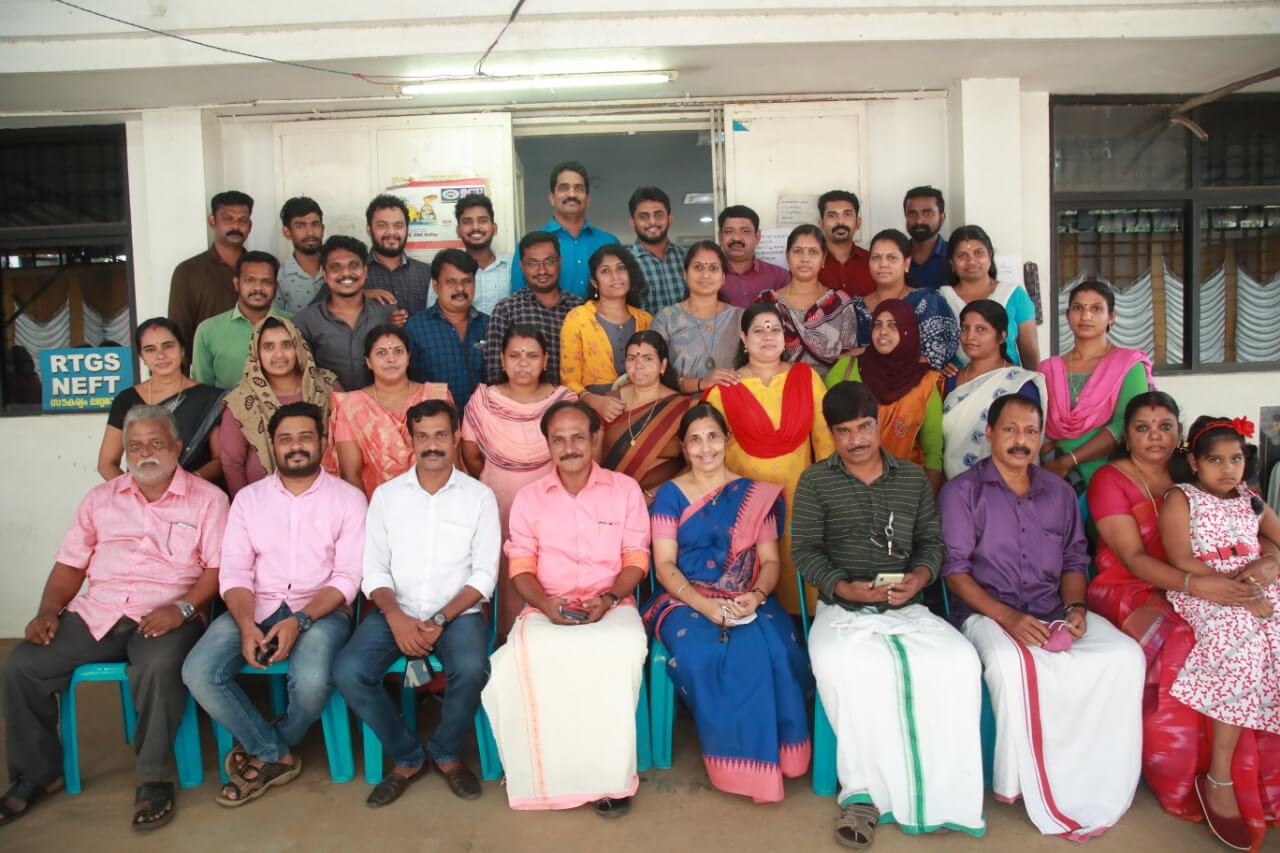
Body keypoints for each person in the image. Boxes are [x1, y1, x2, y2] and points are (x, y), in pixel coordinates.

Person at [1, 406, 228, 830]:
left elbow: (218, 569)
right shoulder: (100, 500)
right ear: (124, 451)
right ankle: (37, 773)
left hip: (169, 613)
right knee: (22, 665)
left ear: (177, 447)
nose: (145, 453)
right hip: (99, 613)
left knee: (158, 666)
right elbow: (70, 565)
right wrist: (48, 610)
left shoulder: (208, 500)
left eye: (156, 443)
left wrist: (182, 608)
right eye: (135, 445)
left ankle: (153, 777)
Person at [941, 393, 1144, 841]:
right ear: (990, 433)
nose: (1021, 440)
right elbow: (954, 572)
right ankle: (1020, 780)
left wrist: (1075, 608)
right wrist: (1008, 618)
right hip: (987, 613)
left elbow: (1074, 559)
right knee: (1013, 664)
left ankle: (1091, 772)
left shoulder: (1059, 492)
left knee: (1125, 657)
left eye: (1031, 431)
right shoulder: (962, 492)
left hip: (1053, 609)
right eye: (1010, 430)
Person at [793, 381, 985, 847]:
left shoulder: (912, 478)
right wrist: (842, 586)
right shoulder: (816, 481)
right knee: (855, 668)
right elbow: (805, 550)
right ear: (831, 433)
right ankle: (864, 794)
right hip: (841, 610)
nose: (856, 439)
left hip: (907, 606)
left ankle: (945, 792)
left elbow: (932, 544)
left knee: (958, 662)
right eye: (844, 431)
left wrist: (918, 579)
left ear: (877, 424)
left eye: (864, 427)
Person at [1088, 393, 1280, 842]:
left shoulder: (1206, 474)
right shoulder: (1111, 479)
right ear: (1126, 435)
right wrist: (1201, 585)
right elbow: (1134, 559)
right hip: (1132, 587)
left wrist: (1266, 564)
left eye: (1165, 426)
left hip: (1217, 583)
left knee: (1265, 636)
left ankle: (1267, 778)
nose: (1155, 436)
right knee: (1189, 644)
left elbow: (1260, 536)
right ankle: (1203, 778)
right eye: (1142, 427)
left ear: (1180, 434)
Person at [183, 402, 366, 807]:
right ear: (272, 445)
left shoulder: (349, 499)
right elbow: (234, 572)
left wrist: (300, 619)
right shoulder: (248, 500)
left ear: (323, 442)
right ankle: (273, 752)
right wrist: (246, 624)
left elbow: (348, 576)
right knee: (199, 671)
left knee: (312, 682)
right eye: (285, 439)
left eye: (305, 437)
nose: (295, 446)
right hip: (256, 607)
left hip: (321, 611)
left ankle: (267, 747)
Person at [482, 401, 650, 816]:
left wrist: (608, 599)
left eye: (578, 437)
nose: (569, 447)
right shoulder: (529, 499)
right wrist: (544, 604)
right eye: (558, 439)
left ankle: (609, 780)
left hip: (612, 603)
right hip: (546, 606)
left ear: (594, 439)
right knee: (519, 659)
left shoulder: (624, 490)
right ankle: (545, 779)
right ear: (548, 445)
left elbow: (636, 559)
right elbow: (521, 567)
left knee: (622, 649)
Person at [643, 404, 812, 803]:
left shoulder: (754, 494)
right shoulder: (670, 495)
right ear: (684, 447)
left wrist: (756, 596)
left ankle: (782, 756)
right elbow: (664, 565)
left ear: (727, 440)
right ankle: (741, 766)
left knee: (776, 647)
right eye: (695, 440)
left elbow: (771, 563)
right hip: (684, 599)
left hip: (749, 596)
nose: (706, 448)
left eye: (713, 437)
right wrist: (704, 606)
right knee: (717, 653)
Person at [334, 399, 499, 807]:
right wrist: (396, 617)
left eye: (440, 435)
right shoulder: (387, 497)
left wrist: (441, 618)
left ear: (455, 437)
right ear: (411, 440)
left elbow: (484, 575)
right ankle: (407, 757)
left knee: (471, 668)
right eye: (422, 436)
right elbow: (373, 570)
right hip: (397, 609)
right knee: (348, 671)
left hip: (458, 613)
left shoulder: (479, 497)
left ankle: (446, 752)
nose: (432, 445)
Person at [1159, 415, 1280, 851]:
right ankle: (1219, 777)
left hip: (1253, 582)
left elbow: (1278, 543)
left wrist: (1268, 564)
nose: (1228, 469)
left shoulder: (1251, 499)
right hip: (1206, 587)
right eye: (1215, 460)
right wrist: (1240, 593)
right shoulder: (1181, 497)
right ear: (1194, 462)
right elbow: (1180, 558)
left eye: (1236, 459)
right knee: (1241, 645)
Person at [704, 303, 835, 613]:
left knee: (799, 578)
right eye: (759, 330)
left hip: (800, 500)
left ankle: (803, 630)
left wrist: (827, 497)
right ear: (744, 339)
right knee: (749, 575)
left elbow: (826, 443)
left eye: (775, 329)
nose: (768, 336)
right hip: (743, 506)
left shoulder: (806, 378)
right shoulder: (724, 390)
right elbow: (709, 455)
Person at [461, 324, 577, 635]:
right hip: (499, 506)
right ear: (502, 360)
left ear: (545, 360)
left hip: (554, 507)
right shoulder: (483, 401)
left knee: (551, 570)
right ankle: (504, 642)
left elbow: (576, 456)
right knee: (503, 572)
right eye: (514, 356)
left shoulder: (564, 401)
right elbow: (471, 457)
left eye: (532, 356)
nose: (523, 363)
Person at [1039, 279, 1152, 490]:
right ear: (1067, 315)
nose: (1086, 316)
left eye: (1096, 308)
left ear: (1112, 316)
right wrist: (1051, 459)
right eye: (1078, 308)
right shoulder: (1047, 369)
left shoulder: (1128, 364)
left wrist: (1069, 461)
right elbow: (1037, 421)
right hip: (1055, 475)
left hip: (1110, 473)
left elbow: (1127, 423)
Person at [826, 299, 944, 492]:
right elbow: (825, 434)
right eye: (878, 324)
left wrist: (927, 501)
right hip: (847, 487)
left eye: (893, 325)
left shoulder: (925, 382)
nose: (883, 332)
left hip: (903, 490)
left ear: (908, 330)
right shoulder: (846, 368)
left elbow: (933, 451)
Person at [324, 325, 451, 500]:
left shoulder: (436, 395)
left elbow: (452, 460)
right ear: (368, 362)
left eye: (398, 351)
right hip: (377, 506)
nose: (391, 359)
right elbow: (351, 474)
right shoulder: (351, 406)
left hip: (437, 502)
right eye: (381, 353)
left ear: (408, 357)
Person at [219, 316, 338, 497]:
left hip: (329, 497)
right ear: (256, 353)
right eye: (269, 347)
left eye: (286, 345)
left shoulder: (326, 385)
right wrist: (244, 506)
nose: (279, 355)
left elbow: (346, 444)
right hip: (263, 503)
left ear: (298, 347)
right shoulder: (241, 400)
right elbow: (232, 464)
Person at [98, 317, 225, 483]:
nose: (161, 355)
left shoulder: (210, 399)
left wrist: (187, 485)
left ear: (182, 350)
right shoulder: (126, 400)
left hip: (196, 492)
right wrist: (134, 493)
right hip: (141, 496)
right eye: (150, 349)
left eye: (168, 346)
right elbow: (106, 463)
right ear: (142, 357)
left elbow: (220, 460)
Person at [939, 300, 1045, 479]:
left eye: (981, 329)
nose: (970, 336)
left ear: (1002, 336)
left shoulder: (1019, 384)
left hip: (1004, 486)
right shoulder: (948, 379)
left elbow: (1027, 441)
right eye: (965, 328)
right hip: (951, 485)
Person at [599, 331, 697, 500]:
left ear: (663, 365)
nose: (638, 365)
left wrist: (651, 497)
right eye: (632, 358)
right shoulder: (611, 402)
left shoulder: (683, 407)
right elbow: (595, 459)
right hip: (612, 501)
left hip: (662, 503)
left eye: (648, 358)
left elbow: (695, 464)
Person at [293, 235, 397, 392]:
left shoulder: (386, 313)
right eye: (336, 267)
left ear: (365, 271)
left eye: (353, 265)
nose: (346, 273)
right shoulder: (305, 322)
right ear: (325, 275)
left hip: (382, 404)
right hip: (328, 405)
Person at [559, 245, 652, 414]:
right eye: (605, 271)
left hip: (642, 407)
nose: (615, 276)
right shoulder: (577, 318)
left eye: (621, 268)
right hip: (592, 411)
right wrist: (593, 401)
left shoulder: (645, 319)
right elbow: (569, 381)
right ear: (594, 282)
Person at [484, 231, 585, 386]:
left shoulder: (579, 308)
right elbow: (495, 373)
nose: (542, 270)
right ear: (522, 266)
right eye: (532, 263)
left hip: (574, 399)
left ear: (560, 262)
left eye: (549, 261)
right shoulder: (506, 311)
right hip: (522, 400)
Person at [759, 225, 858, 377]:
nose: (805, 259)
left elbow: (848, 359)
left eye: (813, 252)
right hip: (779, 387)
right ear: (787, 256)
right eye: (797, 251)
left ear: (823, 258)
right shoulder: (768, 303)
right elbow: (758, 353)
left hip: (831, 388)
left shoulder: (840, 303)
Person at [510, 161, 620, 298]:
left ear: (588, 199)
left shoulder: (609, 242)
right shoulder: (529, 246)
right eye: (563, 188)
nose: (572, 194)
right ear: (552, 198)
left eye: (579, 188)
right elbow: (518, 299)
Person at [854, 228, 958, 371]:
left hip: (918, 383)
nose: (883, 264)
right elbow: (846, 358)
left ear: (907, 263)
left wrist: (865, 352)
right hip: (863, 383)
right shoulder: (857, 307)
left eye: (892, 258)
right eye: (876, 257)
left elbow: (934, 359)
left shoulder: (927, 302)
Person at [650, 240, 744, 395]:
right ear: (685, 275)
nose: (705, 275)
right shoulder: (666, 319)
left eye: (713, 268)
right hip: (680, 404)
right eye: (698, 267)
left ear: (723, 278)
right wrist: (701, 383)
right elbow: (652, 373)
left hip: (730, 401)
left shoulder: (740, 318)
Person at [939, 225, 1039, 369]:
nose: (971, 261)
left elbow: (1030, 354)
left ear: (990, 256)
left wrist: (1032, 381)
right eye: (962, 256)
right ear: (952, 263)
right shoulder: (941, 299)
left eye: (978, 253)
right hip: (958, 381)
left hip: (1008, 380)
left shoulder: (1014, 295)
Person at [404, 248, 488, 411]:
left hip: (484, 421)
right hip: (435, 422)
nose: (460, 288)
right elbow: (408, 383)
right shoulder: (415, 328)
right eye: (451, 281)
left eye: (467, 281)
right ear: (436, 286)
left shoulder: (489, 325)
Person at [191, 251, 289, 390]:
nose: (258, 288)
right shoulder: (208, 330)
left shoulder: (294, 324)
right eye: (249, 280)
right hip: (227, 404)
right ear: (236, 283)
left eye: (266, 282)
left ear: (276, 287)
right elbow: (202, 389)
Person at [168, 190, 253, 348]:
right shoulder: (188, 272)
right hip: (208, 362)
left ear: (250, 226)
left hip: (261, 362)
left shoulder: (261, 269)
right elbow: (179, 333)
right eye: (227, 219)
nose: (235, 226)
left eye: (242, 220)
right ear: (212, 221)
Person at [364, 194, 432, 316]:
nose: (391, 232)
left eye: (398, 226)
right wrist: (359, 295)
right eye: (382, 225)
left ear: (407, 229)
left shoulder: (427, 273)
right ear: (369, 229)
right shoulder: (354, 274)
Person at [627, 186, 687, 314]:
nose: (652, 222)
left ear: (669, 219)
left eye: (658, 215)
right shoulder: (624, 263)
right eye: (644, 216)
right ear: (632, 223)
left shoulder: (687, 258)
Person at [718, 205, 789, 308]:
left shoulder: (780, 277)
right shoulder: (706, 278)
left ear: (757, 236)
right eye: (729, 231)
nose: (736, 237)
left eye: (745, 231)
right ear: (720, 237)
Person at [455, 193, 511, 314]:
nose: (475, 227)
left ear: (494, 228)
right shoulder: (447, 271)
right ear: (458, 231)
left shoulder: (513, 268)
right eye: (467, 222)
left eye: (482, 221)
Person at [816, 190, 874, 298]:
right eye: (832, 215)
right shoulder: (809, 264)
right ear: (821, 223)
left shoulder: (873, 262)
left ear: (858, 222)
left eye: (847, 214)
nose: (840, 221)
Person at [276, 196, 326, 313]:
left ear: (323, 229)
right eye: (300, 226)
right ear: (287, 232)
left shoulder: (338, 269)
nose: (310, 233)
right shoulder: (279, 278)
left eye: (315, 225)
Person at [902, 186, 948, 291]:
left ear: (942, 218)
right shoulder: (896, 257)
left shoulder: (955, 257)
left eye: (927, 213)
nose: (919, 221)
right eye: (912, 214)